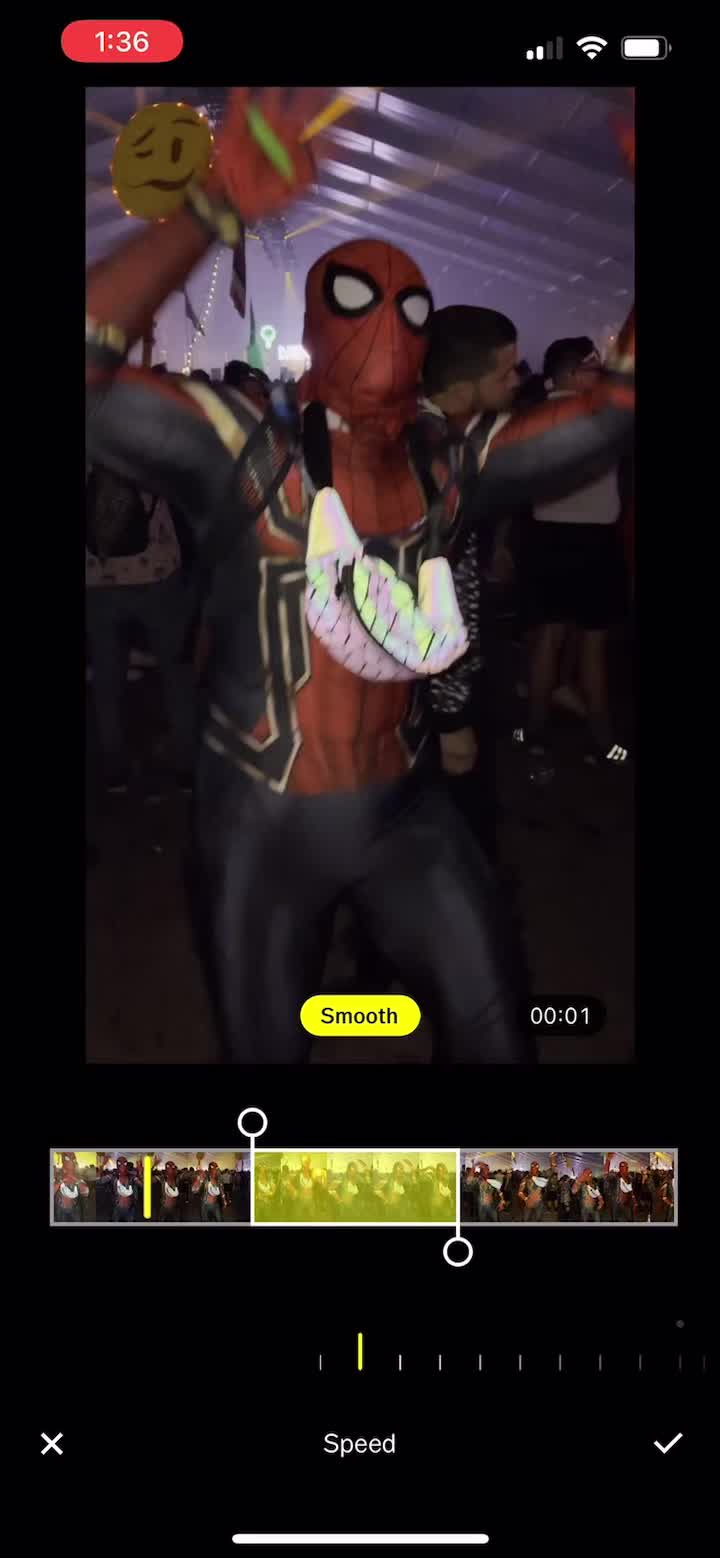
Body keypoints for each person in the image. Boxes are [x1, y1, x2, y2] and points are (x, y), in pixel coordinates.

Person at [86, 86, 634, 1064]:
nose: (386, 323)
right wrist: (209, 211)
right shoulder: (248, 451)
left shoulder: (448, 461)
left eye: (409, 307)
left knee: (497, 1036)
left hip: (400, 804)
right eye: (356, 299)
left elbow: (616, 408)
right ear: (316, 318)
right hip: (261, 818)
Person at [512, 337, 631, 780]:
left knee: (547, 641)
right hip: (596, 541)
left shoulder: (532, 418)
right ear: (573, 373)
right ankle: (604, 742)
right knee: (592, 646)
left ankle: (532, 734)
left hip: (547, 538)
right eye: (592, 368)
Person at [86, 464, 197, 793]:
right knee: (176, 674)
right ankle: (186, 768)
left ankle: (115, 769)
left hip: (96, 574)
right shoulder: (149, 437)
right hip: (157, 569)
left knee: (107, 676)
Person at [518, 1155, 557, 1223]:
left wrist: (552, 1158)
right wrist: (526, 1199)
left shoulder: (542, 1176)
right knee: (525, 1219)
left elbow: (552, 1169)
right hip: (529, 1201)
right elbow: (520, 1192)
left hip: (539, 1202)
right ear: (531, 1168)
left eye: (536, 1167)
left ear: (538, 1168)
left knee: (538, 1220)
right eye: (533, 1167)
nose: (534, 1169)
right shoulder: (526, 1178)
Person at [54, 1157, 90, 1224]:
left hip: (75, 1208)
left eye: (72, 1169)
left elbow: (86, 1193)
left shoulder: (79, 1179)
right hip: (61, 1209)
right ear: (64, 1169)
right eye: (68, 1169)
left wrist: (76, 1180)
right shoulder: (59, 1178)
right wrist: (61, 1182)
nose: (70, 1171)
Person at [155, 1159, 182, 1223]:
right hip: (164, 1207)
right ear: (165, 1169)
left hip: (175, 1207)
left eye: (172, 1166)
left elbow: (189, 1175)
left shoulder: (177, 1178)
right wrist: (153, 1165)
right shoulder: (162, 1178)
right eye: (168, 1166)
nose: (170, 1168)